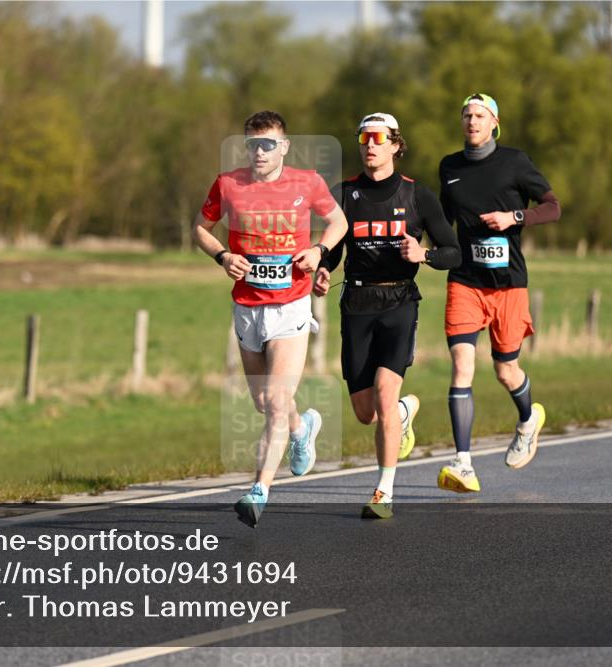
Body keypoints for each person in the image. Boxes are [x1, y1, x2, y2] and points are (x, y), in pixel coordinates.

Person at [194, 110, 349, 528]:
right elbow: (201, 228)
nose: (259, 152)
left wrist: (319, 251)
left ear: (283, 146)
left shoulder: (307, 182)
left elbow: (338, 222)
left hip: (291, 306)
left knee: (277, 402)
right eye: (252, 144)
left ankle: (259, 489)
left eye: (267, 144)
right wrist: (223, 256)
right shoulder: (229, 185)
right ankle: (303, 429)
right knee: (265, 402)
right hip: (247, 306)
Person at [314, 113, 461, 519]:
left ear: (396, 144)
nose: (369, 145)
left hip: (399, 303)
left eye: (378, 138)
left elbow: (454, 251)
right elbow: (335, 246)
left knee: (383, 390)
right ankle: (402, 414)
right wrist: (325, 267)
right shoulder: (343, 193)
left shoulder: (417, 196)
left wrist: (424, 255)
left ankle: (383, 492)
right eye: (363, 138)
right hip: (356, 306)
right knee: (366, 413)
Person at [436, 93, 562, 493]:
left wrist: (514, 217)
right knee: (462, 366)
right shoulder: (449, 167)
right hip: (465, 280)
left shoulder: (515, 162)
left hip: (508, 283)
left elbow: (553, 206)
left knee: (505, 370)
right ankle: (463, 462)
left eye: (480, 115)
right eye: (466, 115)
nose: (472, 121)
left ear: (494, 122)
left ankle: (528, 420)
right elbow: (441, 223)